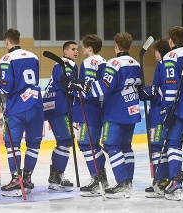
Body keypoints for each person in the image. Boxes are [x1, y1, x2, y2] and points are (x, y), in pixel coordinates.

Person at [61, 32, 142, 199]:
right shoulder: (135, 63)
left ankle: (103, 180)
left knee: (93, 144)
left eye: (83, 47)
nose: (81, 50)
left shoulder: (100, 62)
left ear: (116, 46)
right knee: (124, 147)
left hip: (105, 110)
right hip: (130, 110)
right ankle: (126, 182)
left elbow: (99, 87)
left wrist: (76, 86)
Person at [138, 26, 183, 201]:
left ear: (170, 41)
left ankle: (175, 183)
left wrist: (167, 109)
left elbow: (171, 85)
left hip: (178, 110)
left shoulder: (170, 58)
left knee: (173, 146)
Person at [0, 28, 43, 197]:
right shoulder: (33, 56)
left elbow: (6, 86)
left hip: (18, 106)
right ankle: (26, 178)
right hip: (36, 104)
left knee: (12, 143)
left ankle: (15, 178)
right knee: (34, 144)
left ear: (7, 42)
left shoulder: (7, 58)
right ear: (19, 39)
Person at [74, 34, 109, 197]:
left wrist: (72, 86)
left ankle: (98, 179)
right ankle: (102, 178)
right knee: (93, 145)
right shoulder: (104, 62)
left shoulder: (89, 62)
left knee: (86, 144)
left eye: (84, 46)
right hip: (100, 109)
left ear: (89, 48)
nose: (82, 48)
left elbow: (85, 88)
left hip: (88, 109)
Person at [42, 41, 78, 192]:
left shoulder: (62, 64)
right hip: (59, 106)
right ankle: (56, 178)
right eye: (73, 49)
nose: (76, 51)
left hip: (53, 105)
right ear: (65, 52)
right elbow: (67, 85)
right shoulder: (67, 64)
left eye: (77, 49)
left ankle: (55, 176)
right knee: (65, 140)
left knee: (64, 141)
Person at [143, 39, 171, 198]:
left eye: (155, 50)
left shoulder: (162, 65)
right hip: (158, 112)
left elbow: (163, 89)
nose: (154, 53)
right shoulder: (166, 65)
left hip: (159, 114)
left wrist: (151, 91)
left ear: (160, 50)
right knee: (161, 147)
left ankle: (161, 181)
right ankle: (161, 180)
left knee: (157, 147)